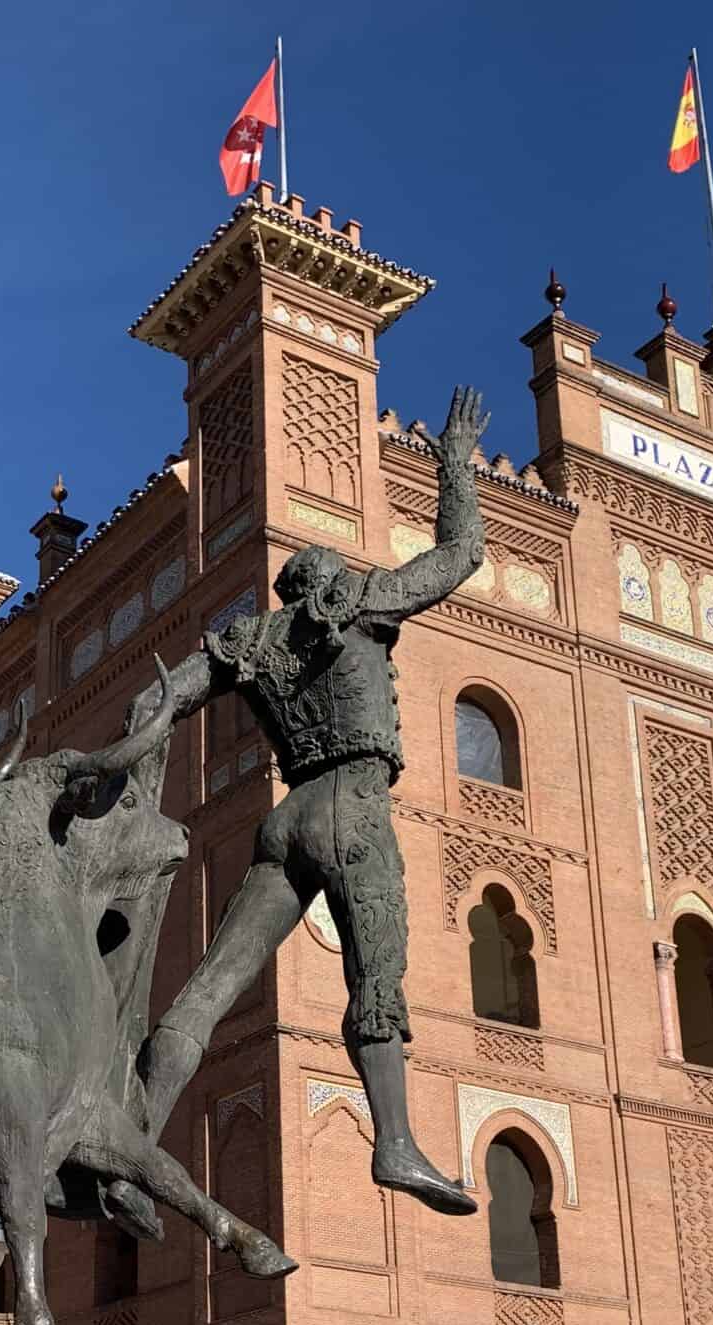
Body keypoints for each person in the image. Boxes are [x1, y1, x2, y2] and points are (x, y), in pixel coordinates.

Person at [111, 387, 494, 1226]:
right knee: (377, 981)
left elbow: (160, 702)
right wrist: (455, 461)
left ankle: (128, 1143)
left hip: (285, 823)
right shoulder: (359, 607)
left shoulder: (253, 641)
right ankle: (393, 1141)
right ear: (333, 582)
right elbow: (461, 553)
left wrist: (124, 770)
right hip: (354, 809)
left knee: (208, 990)